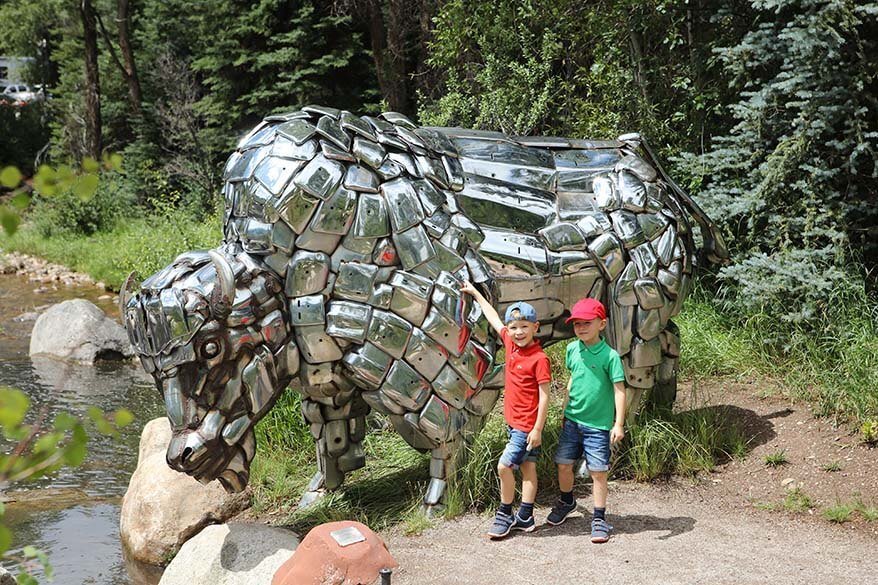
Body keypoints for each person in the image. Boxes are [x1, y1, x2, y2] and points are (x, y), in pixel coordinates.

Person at [460, 281, 551, 539]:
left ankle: (505, 513)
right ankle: (526, 516)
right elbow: (492, 317)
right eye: (514, 328)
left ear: (535, 327)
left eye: (524, 327)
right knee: (527, 468)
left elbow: (545, 397)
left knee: (504, 466)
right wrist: (476, 294)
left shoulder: (539, 359)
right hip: (514, 423)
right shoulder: (510, 345)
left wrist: (537, 430)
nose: (518, 332)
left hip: (526, 426)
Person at [547, 297, 626, 543]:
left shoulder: (610, 356)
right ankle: (567, 500)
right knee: (563, 463)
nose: (581, 328)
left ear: (601, 324)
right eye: (577, 324)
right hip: (572, 421)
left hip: (598, 426)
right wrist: (564, 409)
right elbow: (573, 379)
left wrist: (618, 423)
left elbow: (619, 390)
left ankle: (599, 518)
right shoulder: (572, 349)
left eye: (587, 323)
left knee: (598, 471)